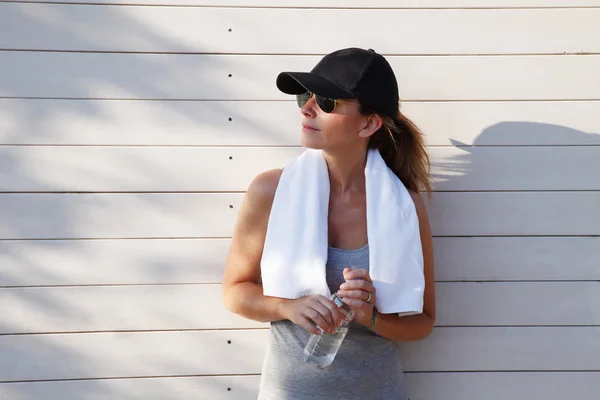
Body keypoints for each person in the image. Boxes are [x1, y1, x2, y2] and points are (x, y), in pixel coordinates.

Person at [222, 47, 436, 400]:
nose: (307, 108)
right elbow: (234, 291)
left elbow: (424, 321)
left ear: (369, 123)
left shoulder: (405, 207)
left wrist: (371, 317)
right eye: (305, 96)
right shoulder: (271, 190)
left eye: (326, 101)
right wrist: (286, 306)